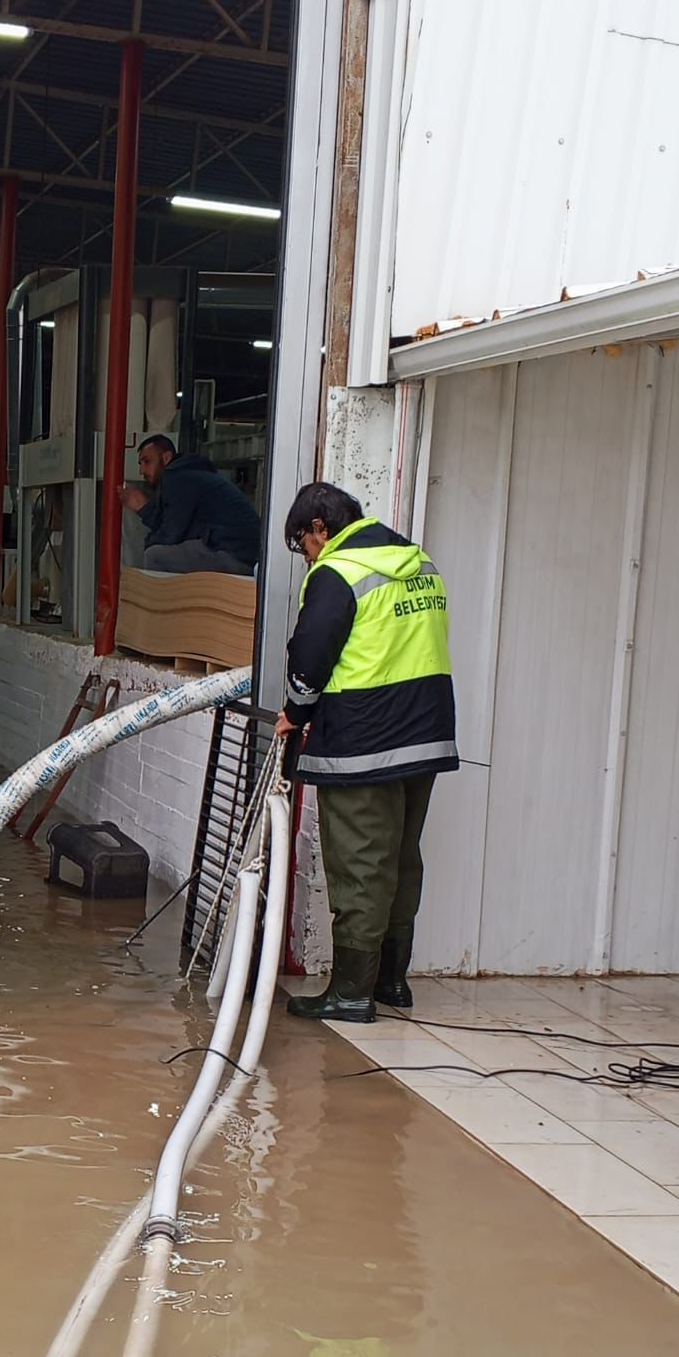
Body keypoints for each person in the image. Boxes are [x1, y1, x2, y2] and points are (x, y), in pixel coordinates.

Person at [275, 479, 458, 1023]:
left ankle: (352, 992)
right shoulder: (416, 561)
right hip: (424, 733)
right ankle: (390, 982)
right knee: (401, 858)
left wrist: (296, 712)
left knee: (360, 864)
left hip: (364, 739)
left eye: (304, 546)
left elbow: (310, 658)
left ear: (319, 529)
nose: (309, 558)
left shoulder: (338, 573)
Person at [132, 433, 260, 575]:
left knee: (154, 556)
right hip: (246, 555)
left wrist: (147, 541)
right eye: (140, 464)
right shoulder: (191, 474)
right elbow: (173, 526)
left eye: (147, 462)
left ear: (166, 458)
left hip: (233, 554)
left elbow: (170, 535)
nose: (141, 471)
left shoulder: (176, 477)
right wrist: (144, 509)